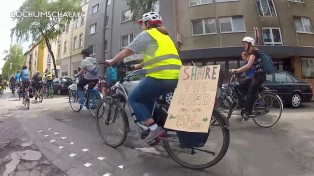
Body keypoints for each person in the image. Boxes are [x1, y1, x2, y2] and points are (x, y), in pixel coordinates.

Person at [103, 12, 182, 143]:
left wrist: (112, 61)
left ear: (147, 23)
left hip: (160, 77)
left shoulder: (147, 34)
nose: (141, 27)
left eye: (142, 24)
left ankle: (154, 129)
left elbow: (127, 51)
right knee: (148, 100)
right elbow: (160, 57)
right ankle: (156, 127)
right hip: (175, 76)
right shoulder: (165, 37)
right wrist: (139, 65)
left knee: (134, 99)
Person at [230, 37, 266, 121]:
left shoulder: (254, 52)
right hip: (256, 76)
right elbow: (247, 65)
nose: (243, 46)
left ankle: (247, 113)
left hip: (260, 76)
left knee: (250, 93)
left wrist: (236, 70)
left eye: (245, 44)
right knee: (242, 83)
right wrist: (237, 72)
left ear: (249, 44)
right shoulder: (250, 53)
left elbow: (248, 66)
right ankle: (246, 104)